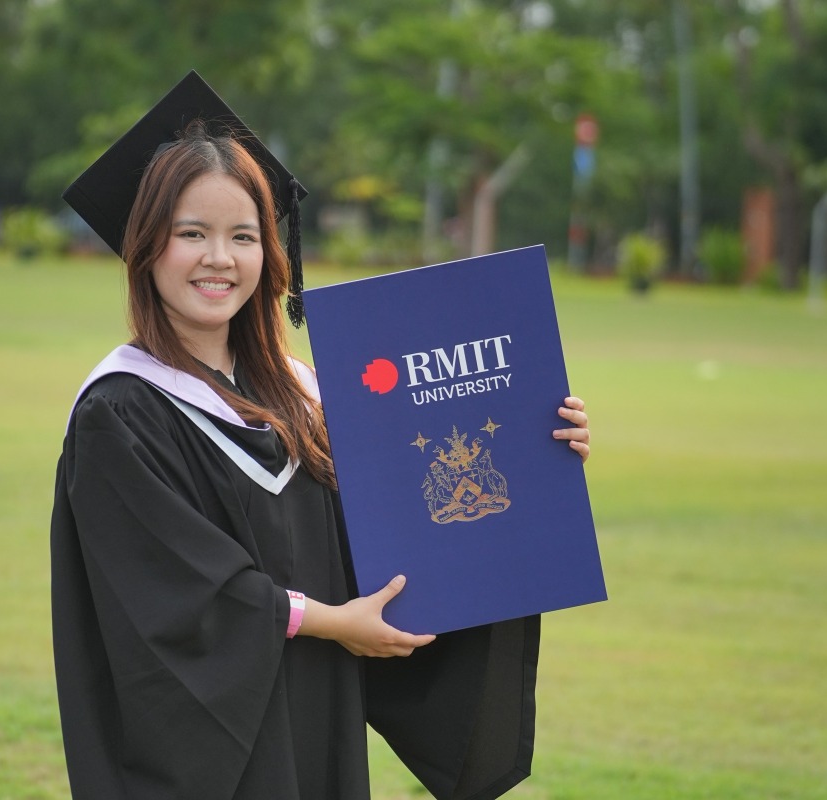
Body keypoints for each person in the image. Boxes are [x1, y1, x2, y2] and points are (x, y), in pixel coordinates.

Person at [50, 72, 591, 800]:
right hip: (210, 753)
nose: (220, 258)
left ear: (268, 254)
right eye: (192, 234)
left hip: (318, 724)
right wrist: (333, 622)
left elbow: (406, 535)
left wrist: (535, 455)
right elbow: (181, 598)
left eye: (243, 236)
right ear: (147, 248)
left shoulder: (302, 399)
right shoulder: (120, 415)